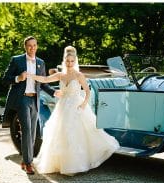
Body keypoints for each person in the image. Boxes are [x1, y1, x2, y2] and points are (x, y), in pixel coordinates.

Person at [29, 46, 120, 175]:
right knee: (60, 133)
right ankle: (61, 164)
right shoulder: (60, 75)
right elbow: (44, 80)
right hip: (62, 107)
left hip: (76, 106)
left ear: (75, 61)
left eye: (72, 61)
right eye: (67, 61)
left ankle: (76, 164)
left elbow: (87, 91)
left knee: (75, 134)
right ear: (64, 61)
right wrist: (30, 75)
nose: (69, 63)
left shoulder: (79, 75)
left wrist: (83, 104)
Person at [3, 36, 60, 175]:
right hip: (22, 100)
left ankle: (24, 160)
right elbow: (5, 79)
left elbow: (43, 83)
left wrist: (54, 92)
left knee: (33, 133)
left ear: (37, 46)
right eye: (29, 45)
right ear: (25, 47)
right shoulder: (16, 60)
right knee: (27, 130)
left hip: (35, 100)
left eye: (34, 45)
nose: (32, 48)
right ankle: (29, 163)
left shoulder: (40, 62)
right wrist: (18, 78)